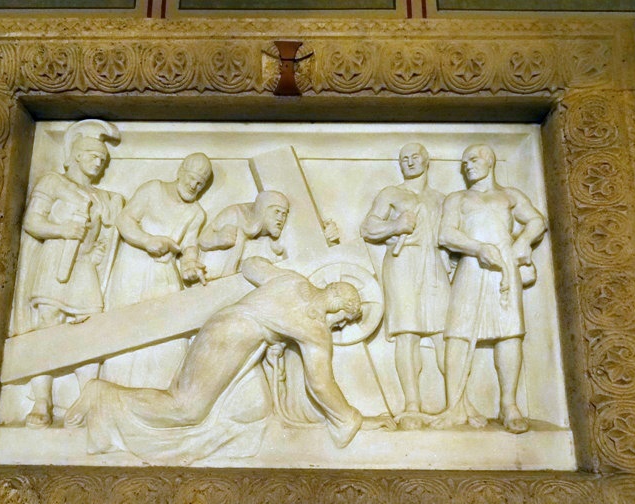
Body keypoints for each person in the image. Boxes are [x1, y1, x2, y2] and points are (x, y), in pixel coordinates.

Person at [66, 257, 395, 461]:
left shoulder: (293, 281)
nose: (340, 327)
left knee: (257, 408)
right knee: (186, 408)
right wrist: (354, 418)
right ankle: (103, 395)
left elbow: (251, 265)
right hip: (232, 340)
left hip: (225, 326)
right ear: (338, 305)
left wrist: (273, 322)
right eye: (344, 320)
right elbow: (320, 384)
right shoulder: (314, 328)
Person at [11, 119, 124, 429]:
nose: (99, 163)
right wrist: (62, 230)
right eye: (93, 156)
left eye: (103, 159)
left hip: (84, 266)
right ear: (76, 155)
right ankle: (42, 401)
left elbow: (107, 232)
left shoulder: (101, 197)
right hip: (55, 262)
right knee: (47, 327)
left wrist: (98, 249)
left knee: (91, 329)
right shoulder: (52, 183)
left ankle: (86, 401)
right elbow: (32, 222)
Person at [434, 144, 546, 433]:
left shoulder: (509, 195)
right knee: (458, 332)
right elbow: (446, 234)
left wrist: (522, 242)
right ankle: (454, 405)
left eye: (472, 160)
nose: (467, 166)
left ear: (489, 161)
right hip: (471, 266)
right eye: (464, 163)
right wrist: (477, 248)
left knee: (509, 333)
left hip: (503, 266)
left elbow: (537, 220)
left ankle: (508, 405)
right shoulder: (457, 198)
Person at [99, 153, 211, 388]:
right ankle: (115, 389)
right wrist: (146, 240)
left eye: (200, 183)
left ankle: (159, 391)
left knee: (169, 333)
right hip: (133, 268)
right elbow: (124, 220)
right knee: (125, 328)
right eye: (192, 178)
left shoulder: (196, 213)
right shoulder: (153, 190)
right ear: (180, 171)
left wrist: (190, 265)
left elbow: (189, 246)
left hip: (164, 274)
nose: (194, 185)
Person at [360, 143, 450, 427]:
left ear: (427, 160)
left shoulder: (441, 199)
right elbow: (368, 228)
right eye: (404, 159)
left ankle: (457, 402)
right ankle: (412, 404)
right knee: (407, 334)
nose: (409, 162)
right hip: (402, 263)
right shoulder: (391, 194)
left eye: (415, 157)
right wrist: (395, 225)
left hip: (434, 264)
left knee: (445, 333)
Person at [198, 190, 290, 279]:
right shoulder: (235, 214)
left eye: (284, 214)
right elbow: (203, 239)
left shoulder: (268, 243)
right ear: (263, 210)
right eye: (276, 211)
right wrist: (217, 238)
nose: (280, 218)